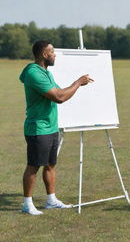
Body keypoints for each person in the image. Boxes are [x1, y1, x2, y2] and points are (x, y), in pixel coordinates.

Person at [19, 40, 94, 215]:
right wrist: (77, 82)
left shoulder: (46, 73)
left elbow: (61, 92)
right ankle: (26, 204)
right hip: (38, 128)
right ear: (44, 54)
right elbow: (58, 97)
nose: (55, 54)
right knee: (34, 165)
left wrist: (76, 87)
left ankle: (51, 200)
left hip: (51, 127)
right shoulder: (34, 73)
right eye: (52, 52)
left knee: (51, 164)